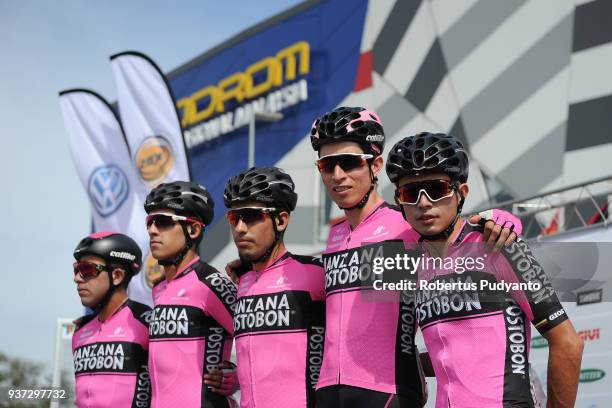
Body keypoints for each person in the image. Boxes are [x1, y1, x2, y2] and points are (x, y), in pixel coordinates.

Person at [308, 106, 521, 407]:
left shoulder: (406, 225)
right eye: (328, 166)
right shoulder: (337, 234)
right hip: (329, 391)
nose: (338, 175)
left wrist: (501, 219)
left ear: (376, 164)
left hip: (386, 389)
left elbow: (458, 227)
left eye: (349, 162)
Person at [386, 132, 584, 407]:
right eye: (410, 193)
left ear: (461, 193)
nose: (423, 202)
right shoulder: (411, 264)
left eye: (436, 189)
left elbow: (568, 343)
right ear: (399, 201)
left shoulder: (497, 244)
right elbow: (453, 353)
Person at [209, 166, 325, 407]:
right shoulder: (242, 281)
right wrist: (236, 378)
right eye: (234, 217)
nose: (240, 228)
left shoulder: (314, 272)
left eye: (251, 216)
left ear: (281, 220)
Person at [144, 181, 238, 408]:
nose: (152, 230)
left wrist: (237, 376)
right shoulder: (158, 289)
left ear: (194, 230)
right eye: (150, 221)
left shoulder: (210, 283)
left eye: (164, 222)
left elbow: (260, 337)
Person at [72, 232, 151, 408]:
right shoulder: (80, 332)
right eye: (76, 269)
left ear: (117, 276)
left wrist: (226, 378)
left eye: (87, 269)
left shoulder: (148, 322)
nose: (77, 278)